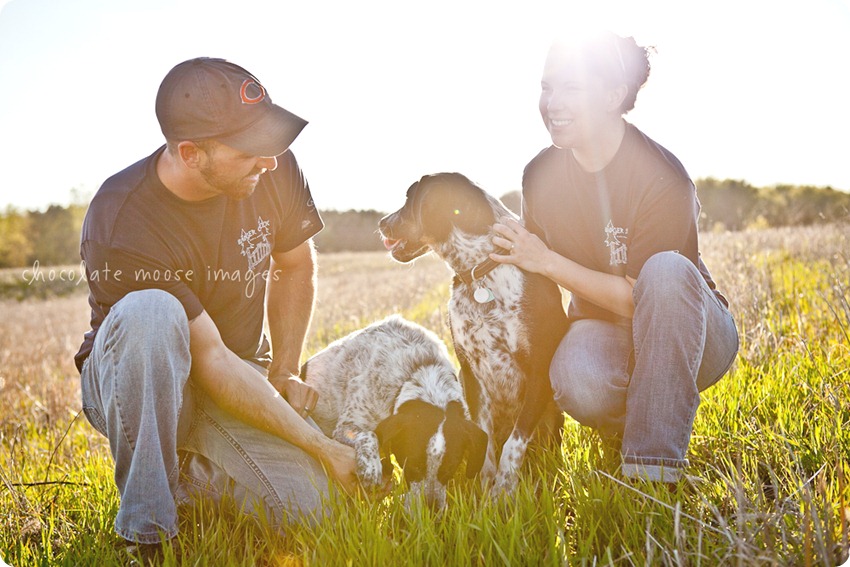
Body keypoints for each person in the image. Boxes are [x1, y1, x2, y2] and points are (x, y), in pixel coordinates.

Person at [75, 57, 359, 551]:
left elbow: (295, 266)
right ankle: (147, 533)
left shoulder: (270, 166)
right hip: (140, 381)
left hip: (237, 370)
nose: (269, 161)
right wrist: (322, 446)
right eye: (252, 148)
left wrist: (285, 370)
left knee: (318, 510)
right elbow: (210, 360)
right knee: (152, 314)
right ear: (190, 153)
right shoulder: (122, 220)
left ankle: (191, 473)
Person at [490, 31, 739, 483]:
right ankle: (630, 424)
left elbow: (638, 298)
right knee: (574, 376)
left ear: (612, 95)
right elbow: (532, 278)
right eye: (547, 88)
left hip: (695, 333)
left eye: (571, 88)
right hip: (604, 330)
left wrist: (546, 260)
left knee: (663, 272)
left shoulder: (662, 177)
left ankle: (652, 470)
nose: (553, 103)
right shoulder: (539, 175)